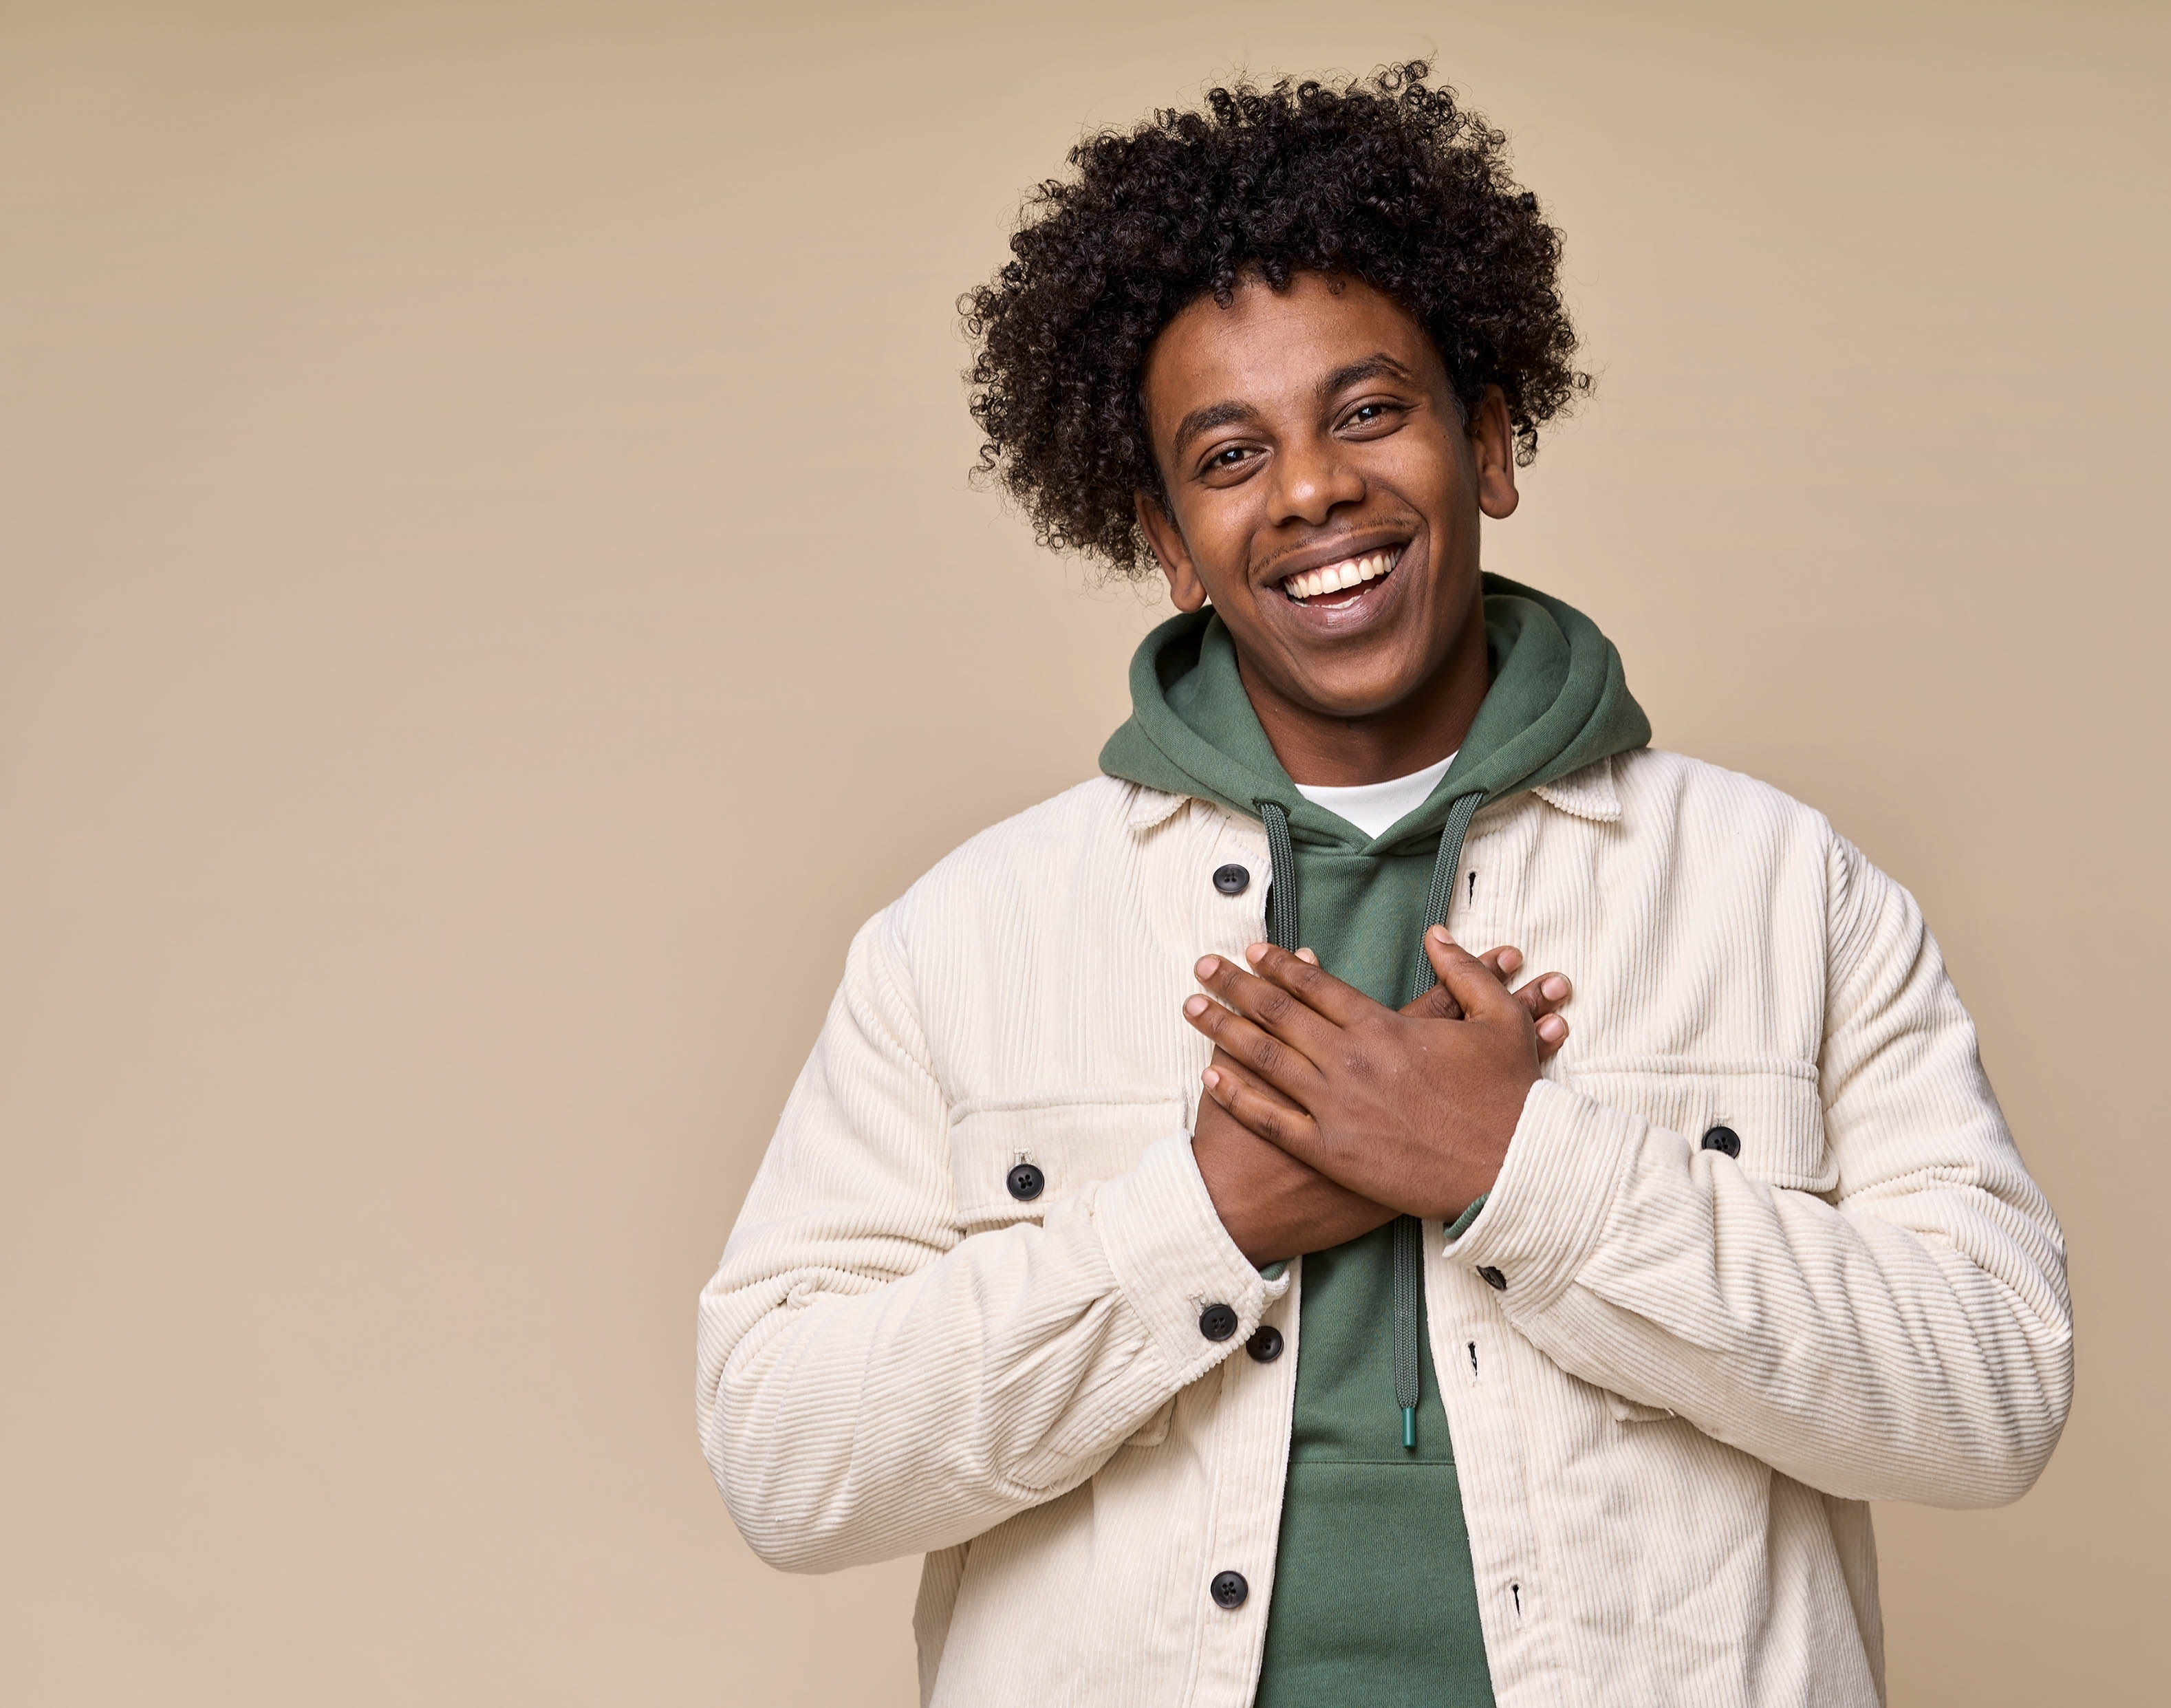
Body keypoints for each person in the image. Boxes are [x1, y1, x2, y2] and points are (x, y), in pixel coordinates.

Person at [696, 62, 2071, 1708]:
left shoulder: (1779, 888)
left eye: (1367, 412)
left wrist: (1518, 1170)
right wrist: (1202, 1221)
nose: (1308, 491)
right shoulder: (969, 936)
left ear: (1486, 442)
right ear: (1163, 537)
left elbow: (1992, 1397)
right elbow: (784, 1458)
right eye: (1227, 454)